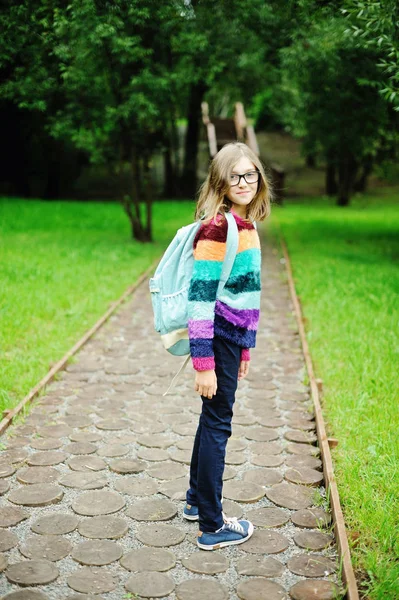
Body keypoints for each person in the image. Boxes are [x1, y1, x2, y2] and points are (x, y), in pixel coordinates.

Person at [183, 142, 272, 550]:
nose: (244, 182)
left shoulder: (245, 225)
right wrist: (203, 362)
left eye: (250, 174)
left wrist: (247, 349)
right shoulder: (218, 228)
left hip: (232, 340)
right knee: (218, 423)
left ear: (260, 178)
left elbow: (245, 296)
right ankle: (212, 525)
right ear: (220, 180)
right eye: (234, 175)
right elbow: (200, 298)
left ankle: (194, 500)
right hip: (216, 340)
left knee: (211, 419)